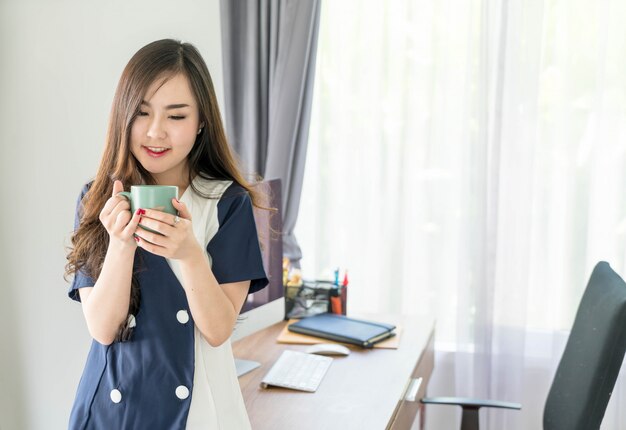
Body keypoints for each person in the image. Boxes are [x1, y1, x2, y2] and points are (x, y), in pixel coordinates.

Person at [64, 39, 270, 429]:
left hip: (201, 413)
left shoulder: (227, 203)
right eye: (142, 112)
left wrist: (190, 254)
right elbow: (103, 329)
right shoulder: (97, 200)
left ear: (201, 122)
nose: (155, 132)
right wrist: (121, 244)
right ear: (123, 115)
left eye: (176, 116)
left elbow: (218, 330)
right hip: (113, 412)